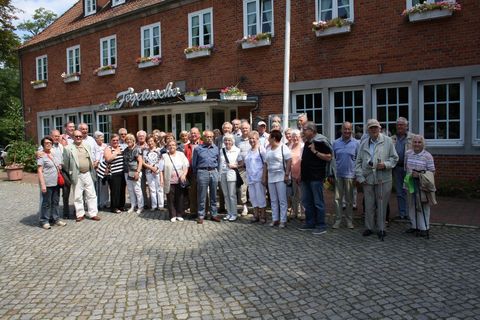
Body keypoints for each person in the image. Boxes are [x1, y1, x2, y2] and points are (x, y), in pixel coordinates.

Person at [355, 119, 398, 240]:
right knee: (369, 205)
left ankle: (381, 228)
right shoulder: (363, 143)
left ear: (380, 128)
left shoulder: (388, 141)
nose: (374, 130)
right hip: (367, 179)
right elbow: (357, 162)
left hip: (383, 179)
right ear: (367, 130)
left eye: (376, 127)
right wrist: (360, 177)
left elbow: (395, 158)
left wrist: (385, 165)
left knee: (382, 204)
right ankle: (369, 227)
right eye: (371, 128)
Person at [298, 122, 333, 235]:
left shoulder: (320, 141)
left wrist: (315, 151)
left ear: (312, 131)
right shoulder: (307, 141)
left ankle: (321, 225)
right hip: (306, 177)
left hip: (316, 177)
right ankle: (310, 222)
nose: (303, 131)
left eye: (305, 129)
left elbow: (329, 157)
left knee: (318, 202)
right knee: (307, 201)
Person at [64, 130, 101, 222]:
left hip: (88, 173)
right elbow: (65, 164)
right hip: (77, 174)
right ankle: (80, 214)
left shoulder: (86, 146)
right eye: (76, 136)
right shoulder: (68, 148)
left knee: (91, 194)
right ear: (73, 137)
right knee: (77, 196)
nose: (78, 138)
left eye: (80, 136)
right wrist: (70, 173)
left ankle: (93, 213)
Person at [404, 135, 435, 237]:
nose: (417, 144)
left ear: (423, 144)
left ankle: (424, 228)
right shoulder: (408, 153)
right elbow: (406, 168)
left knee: (423, 206)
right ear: (412, 143)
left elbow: (432, 172)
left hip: (422, 185)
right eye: (415, 142)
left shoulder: (427, 156)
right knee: (411, 204)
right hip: (410, 183)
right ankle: (414, 226)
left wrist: (420, 175)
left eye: (419, 142)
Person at [332, 122, 359, 229]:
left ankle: (349, 221)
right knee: (337, 199)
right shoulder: (335, 143)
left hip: (350, 175)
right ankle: (338, 220)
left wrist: (357, 174)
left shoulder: (356, 143)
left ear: (352, 130)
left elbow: (358, 160)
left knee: (349, 200)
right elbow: (332, 159)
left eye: (349, 129)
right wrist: (331, 173)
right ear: (341, 130)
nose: (347, 131)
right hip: (338, 174)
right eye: (345, 129)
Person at [263, 130, 291, 228]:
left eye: (269, 137)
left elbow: (289, 161)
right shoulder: (268, 148)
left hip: (281, 176)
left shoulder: (283, 147)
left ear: (274, 138)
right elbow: (266, 163)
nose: (268, 138)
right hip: (271, 177)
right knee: (273, 200)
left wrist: (287, 174)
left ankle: (283, 220)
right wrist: (264, 176)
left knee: (282, 200)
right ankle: (275, 219)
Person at [37, 136, 67, 229]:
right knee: (46, 203)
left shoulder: (52, 154)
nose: (48, 144)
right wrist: (42, 184)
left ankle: (56, 218)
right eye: (46, 143)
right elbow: (39, 171)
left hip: (56, 183)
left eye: (50, 143)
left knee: (55, 202)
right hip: (47, 183)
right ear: (43, 145)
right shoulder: (41, 156)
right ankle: (44, 221)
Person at [192, 130, 221, 224]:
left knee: (213, 195)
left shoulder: (216, 148)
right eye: (207, 137)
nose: (209, 138)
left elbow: (218, 162)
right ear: (203, 137)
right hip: (202, 172)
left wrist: (217, 173)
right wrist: (197, 174)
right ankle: (201, 215)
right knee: (202, 195)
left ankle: (214, 214)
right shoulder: (197, 149)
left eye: (211, 137)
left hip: (213, 171)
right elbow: (194, 164)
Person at [391, 117, 414, 220]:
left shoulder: (413, 138)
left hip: (408, 169)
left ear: (406, 126)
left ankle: (410, 213)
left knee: (409, 191)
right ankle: (402, 213)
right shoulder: (392, 139)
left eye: (402, 125)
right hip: (397, 168)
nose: (399, 127)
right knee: (400, 191)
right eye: (398, 125)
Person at [243, 130, 267, 223]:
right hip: (250, 178)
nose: (251, 140)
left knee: (260, 196)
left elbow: (265, 163)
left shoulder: (261, 149)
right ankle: (256, 215)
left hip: (259, 177)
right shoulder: (249, 151)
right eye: (250, 138)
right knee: (253, 197)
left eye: (253, 138)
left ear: (257, 139)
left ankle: (263, 216)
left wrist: (264, 176)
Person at [163, 140, 189, 222]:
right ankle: (172, 215)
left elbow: (186, 166)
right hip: (169, 179)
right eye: (170, 145)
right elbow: (161, 169)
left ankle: (179, 214)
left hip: (180, 179)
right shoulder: (164, 156)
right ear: (167, 147)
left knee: (180, 197)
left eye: (173, 145)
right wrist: (161, 179)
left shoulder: (181, 154)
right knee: (170, 198)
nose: (172, 146)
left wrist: (184, 174)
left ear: (176, 146)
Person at [219, 134, 241, 221]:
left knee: (232, 195)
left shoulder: (237, 150)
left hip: (231, 173)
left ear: (233, 141)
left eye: (229, 140)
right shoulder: (221, 150)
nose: (227, 142)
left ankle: (234, 213)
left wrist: (234, 165)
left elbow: (241, 163)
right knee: (226, 194)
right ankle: (229, 213)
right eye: (226, 140)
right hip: (222, 173)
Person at [103, 134, 126, 214]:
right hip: (113, 173)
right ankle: (114, 207)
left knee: (122, 190)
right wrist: (116, 153)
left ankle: (121, 205)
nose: (115, 142)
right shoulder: (108, 148)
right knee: (115, 190)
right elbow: (108, 159)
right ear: (110, 141)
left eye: (117, 140)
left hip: (122, 172)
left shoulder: (121, 148)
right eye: (114, 140)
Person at [184, 127, 203, 218]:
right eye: (192, 133)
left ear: (199, 134)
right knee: (192, 193)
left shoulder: (203, 144)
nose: (193, 135)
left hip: (202, 172)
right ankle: (193, 212)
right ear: (189, 135)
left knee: (203, 193)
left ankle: (203, 212)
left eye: (195, 133)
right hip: (191, 173)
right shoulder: (186, 147)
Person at [124, 133, 144, 214]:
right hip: (127, 172)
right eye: (127, 140)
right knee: (130, 190)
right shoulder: (125, 150)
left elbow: (140, 161)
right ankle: (133, 205)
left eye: (130, 139)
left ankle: (140, 206)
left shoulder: (137, 149)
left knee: (137, 189)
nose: (129, 141)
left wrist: (138, 172)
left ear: (133, 140)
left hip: (135, 171)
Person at [143, 134, 164, 211]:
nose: (150, 143)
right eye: (148, 141)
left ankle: (161, 205)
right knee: (152, 189)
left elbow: (162, 162)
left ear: (154, 142)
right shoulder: (145, 151)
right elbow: (143, 162)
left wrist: (157, 168)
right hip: (149, 172)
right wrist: (151, 167)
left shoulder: (159, 150)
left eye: (151, 141)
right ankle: (154, 205)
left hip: (158, 172)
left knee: (160, 188)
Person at [289, 129, 305, 220]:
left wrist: (300, 174)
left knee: (302, 195)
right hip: (292, 174)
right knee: (294, 195)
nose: (295, 138)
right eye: (293, 136)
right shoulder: (290, 146)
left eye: (297, 136)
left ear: (300, 137)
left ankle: (303, 212)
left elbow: (303, 162)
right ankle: (295, 212)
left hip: (301, 174)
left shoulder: (302, 147)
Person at [236, 120, 251, 216]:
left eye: (246, 128)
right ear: (240, 129)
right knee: (243, 189)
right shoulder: (237, 140)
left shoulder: (253, 138)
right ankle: (244, 207)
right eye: (243, 128)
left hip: (253, 168)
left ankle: (256, 207)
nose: (244, 129)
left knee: (254, 188)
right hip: (242, 168)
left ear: (249, 129)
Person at [93, 131, 109, 209]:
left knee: (105, 186)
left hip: (105, 168)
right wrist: (95, 166)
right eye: (100, 138)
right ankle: (98, 203)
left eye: (102, 137)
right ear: (96, 139)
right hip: (97, 168)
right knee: (97, 187)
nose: (102, 139)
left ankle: (105, 202)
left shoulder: (105, 146)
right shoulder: (93, 146)